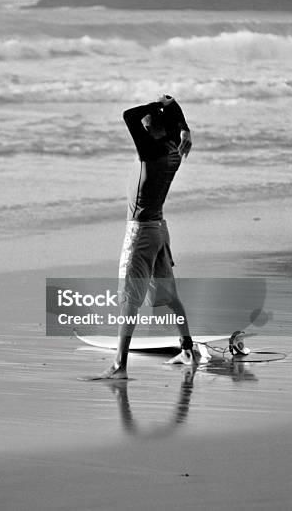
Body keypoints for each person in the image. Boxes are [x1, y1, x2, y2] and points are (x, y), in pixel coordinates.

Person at [98, 94, 194, 379]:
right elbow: (168, 107)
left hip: (140, 232)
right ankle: (186, 348)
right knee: (170, 295)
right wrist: (181, 123)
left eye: (148, 124)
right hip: (160, 230)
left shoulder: (150, 151)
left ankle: (119, 365)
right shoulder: (176, 149)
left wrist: (157, 106)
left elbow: (129, 115)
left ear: (155, 130)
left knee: (129, 298)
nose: (143, 126)